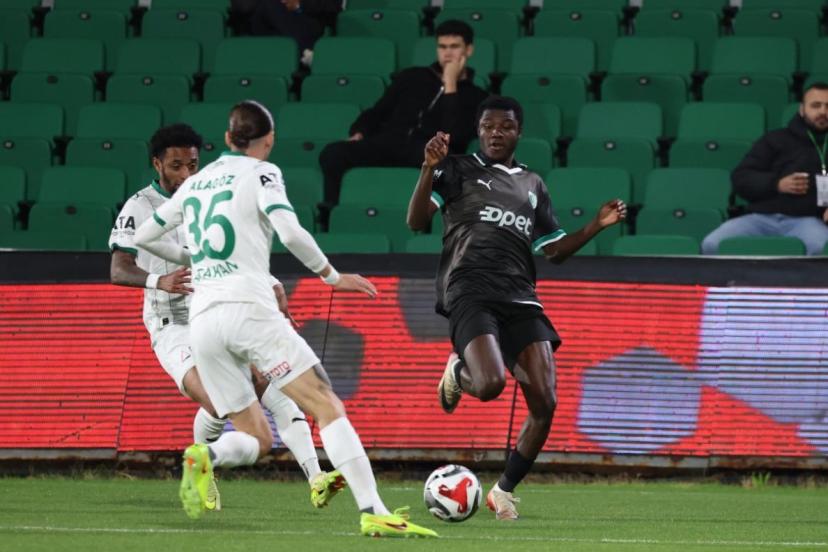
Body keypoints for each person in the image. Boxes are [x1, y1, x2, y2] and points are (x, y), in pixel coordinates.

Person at [133, 101, 437, 538]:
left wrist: (195, 259)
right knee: (326, 404)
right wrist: (332, 277)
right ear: (270, 140)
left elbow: (144, 235)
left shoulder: (196, 182)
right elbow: (291, 232)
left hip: (203, 320)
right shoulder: (262, 173)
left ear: (227, 138)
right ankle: (374, 510)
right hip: (249, 308)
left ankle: (206, 455)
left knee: (256, 437)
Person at [406, 96, 627, 521]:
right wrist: (427, 169)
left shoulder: (533, 184)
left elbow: (554, 250)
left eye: (505, 126)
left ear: (518, 132)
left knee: (545, 403)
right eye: (488, 126)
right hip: (470, 288)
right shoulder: (456, 169)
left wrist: (595, 226)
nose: (496, 133)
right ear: (479, 130)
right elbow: (416, 222)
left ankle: (503, 492)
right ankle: (459, 371)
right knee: (490, 385)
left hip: (521, 296)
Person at [109, 123, 345, 512]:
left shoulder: (206, 197)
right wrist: (158, 280)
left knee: (270, 381)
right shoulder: (140, 206)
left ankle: (315, 477)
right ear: (157, 164)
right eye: (176, 166)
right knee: (221, 400)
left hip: (218, 312)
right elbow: (118, 268)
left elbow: (231, 253)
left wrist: (270, 282)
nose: (186, 173)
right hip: (172, 325)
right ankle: (206, 464)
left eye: (192, 165)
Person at [318, 19, 489, 210]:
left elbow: (454, 135)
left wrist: (450, 85)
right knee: (333, 153)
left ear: (468, 50)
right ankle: (330, 213)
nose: (447, 53)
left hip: (427, 152)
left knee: (447, 167)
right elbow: (379, 110)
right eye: (442, 47)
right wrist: (360, 131)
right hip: (388, 142)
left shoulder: (478, 97)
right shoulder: (412, 76)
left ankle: (428, 219)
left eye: (454, 47)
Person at [701, 82, 828, 255]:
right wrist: (777, 184)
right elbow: (741, 177)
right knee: (712, 244)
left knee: (821, 248)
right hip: (761, 218)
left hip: (808, 220)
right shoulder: (774, 139)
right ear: (802, 109)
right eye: (815, 105)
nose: (822, 111)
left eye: (827, 106)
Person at [248, 0, 341, 66]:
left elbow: (334, 5)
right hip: (270, 22)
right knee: (268, 5)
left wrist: (299, 4)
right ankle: (305, 51)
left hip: (305, 21)